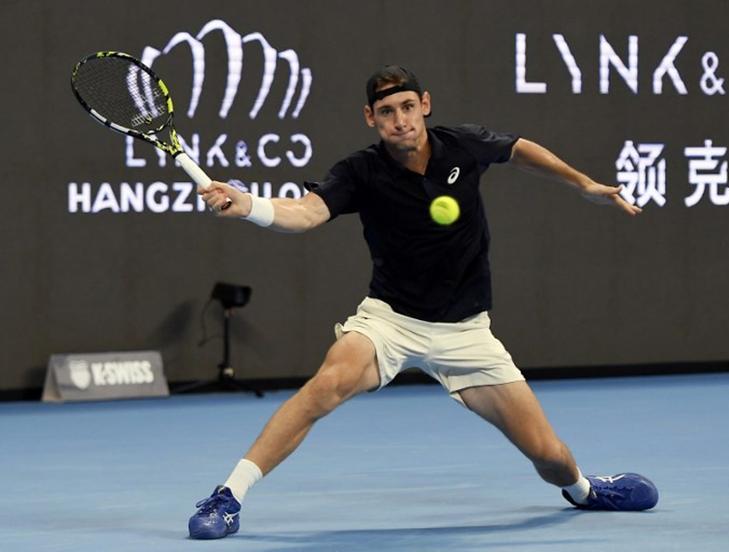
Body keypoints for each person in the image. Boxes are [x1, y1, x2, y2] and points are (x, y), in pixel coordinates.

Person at [188, 65, 657, 540]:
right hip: (391, 322)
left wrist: (582, 184)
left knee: (550, 456)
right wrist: (249, 206)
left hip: (467, 332)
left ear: (425, 105)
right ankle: (228, 496)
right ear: (371, 117)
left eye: (408, 107)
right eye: (387, 112)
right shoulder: (361, 171)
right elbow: (307, 213)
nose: (401, 120)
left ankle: (582, 490)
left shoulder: (463, 145)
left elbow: (518, 150)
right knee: (325, 386)